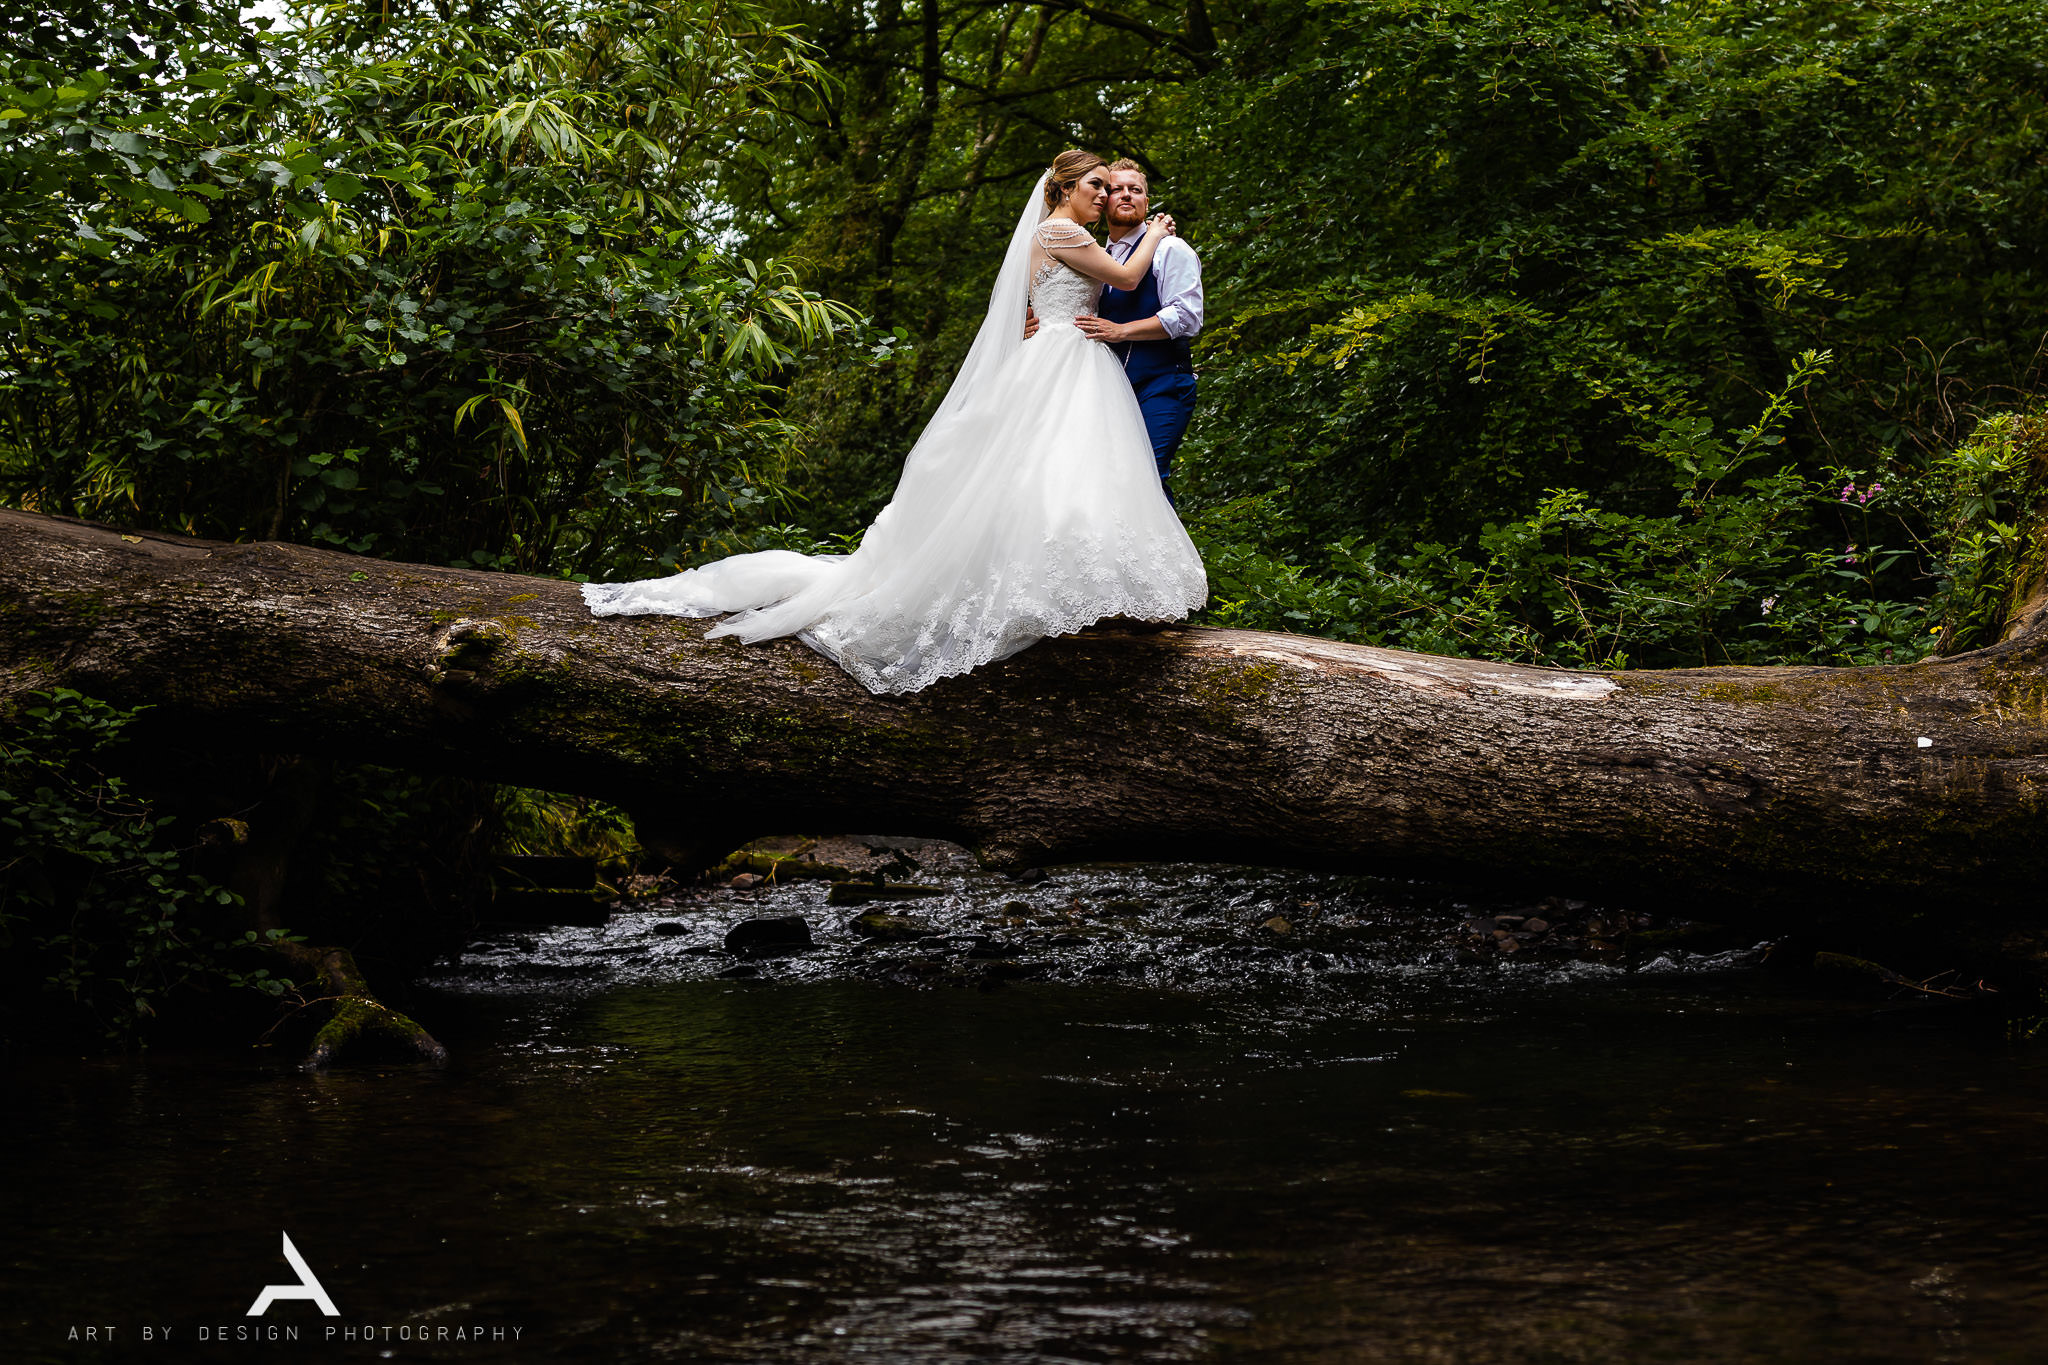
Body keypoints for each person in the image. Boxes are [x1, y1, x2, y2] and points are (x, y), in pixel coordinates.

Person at [579, 150, 1208, 696]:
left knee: (1061, 475)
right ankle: (1046, 595)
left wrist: (1042, 321)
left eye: (1109, 187)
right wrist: (1155, 231)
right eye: (1095, 185)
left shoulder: (1065, 236)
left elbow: (1031, 302)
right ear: (1063, 189)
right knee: (1050, 473)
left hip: (1068, 354)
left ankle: (1073, 595)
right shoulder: (1063, 232)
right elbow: (1124, 277)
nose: (1104, 195)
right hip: (1069, 359)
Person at [1033, 160, 1203, 504]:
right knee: (1097, 483)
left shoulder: (1169, 248)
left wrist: (1123, 331)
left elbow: (1187, 317)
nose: (1125, 195)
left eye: (1136, 190)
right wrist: (1035, 319)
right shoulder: (1096, 255)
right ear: (1103, 200)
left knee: (1147, 481)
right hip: (1102, 391)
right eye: (1115, 189)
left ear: (1146, 202)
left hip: (1161, 383)